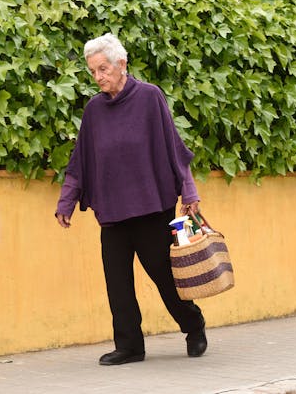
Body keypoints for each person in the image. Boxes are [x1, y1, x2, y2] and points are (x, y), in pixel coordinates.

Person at [54, 33, 208, 366]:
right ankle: (130, 346)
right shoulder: (94, 110)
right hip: (113, 211)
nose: (98, 77)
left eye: (103, 69)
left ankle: (193, 325)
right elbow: (80, 161)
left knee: (165, 278)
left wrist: (189, 192)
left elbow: (172, 148)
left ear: (122, 64)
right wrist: (66, 202)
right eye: (93, 71)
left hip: (152, 207)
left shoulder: (150, 97)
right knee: (118, 283)